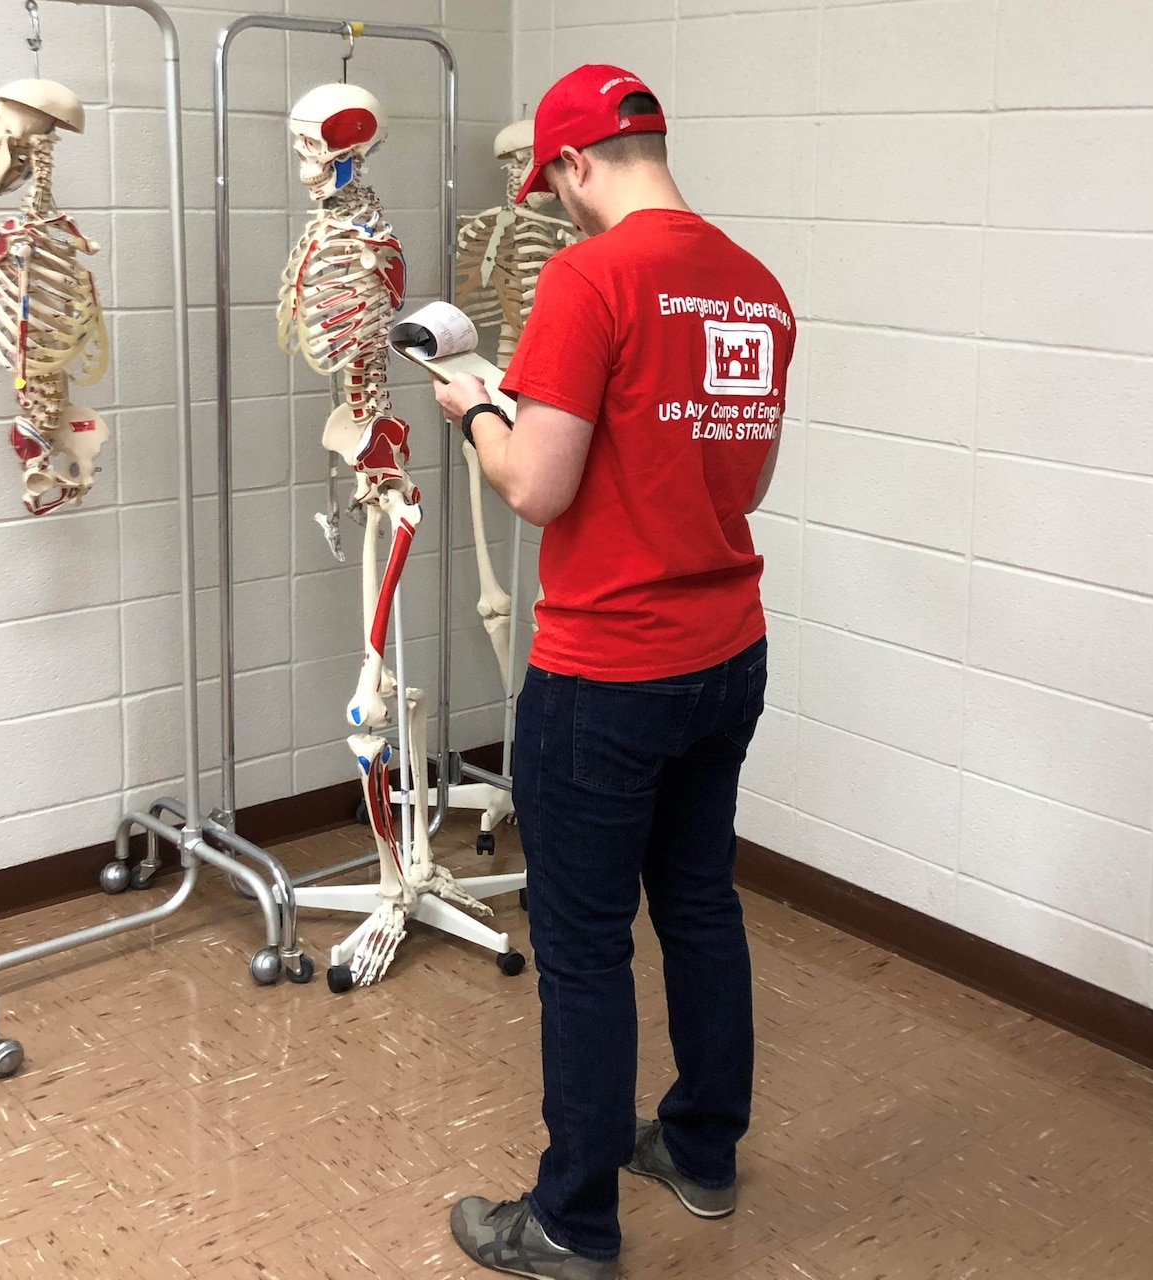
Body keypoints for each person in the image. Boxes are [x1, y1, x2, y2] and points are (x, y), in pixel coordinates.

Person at [433, 63, 796, 1280]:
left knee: (582, 943)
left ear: (578, 165)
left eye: (557, 185)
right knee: (698, 903)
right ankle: (698, 1147)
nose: (561, 207)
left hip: (606, 669)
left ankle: (570, 1219)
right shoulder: (755, 288)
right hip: (724, 652)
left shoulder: (592, 276)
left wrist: (478, 407)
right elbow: (743, 481)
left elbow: (537, 486)